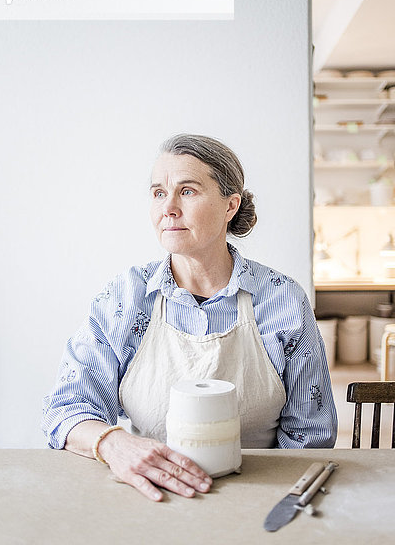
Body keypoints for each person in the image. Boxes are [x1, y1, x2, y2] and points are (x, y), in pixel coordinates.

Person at [42, 133, 337, 502]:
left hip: (260, 498)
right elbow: (67, 408)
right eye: (158, 192)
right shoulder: (125, 298)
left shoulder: (282, 300)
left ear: (230, 205)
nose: (168, 208)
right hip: (151, 495)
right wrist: (116, 445)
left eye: (187, 191)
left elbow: (310, 435)